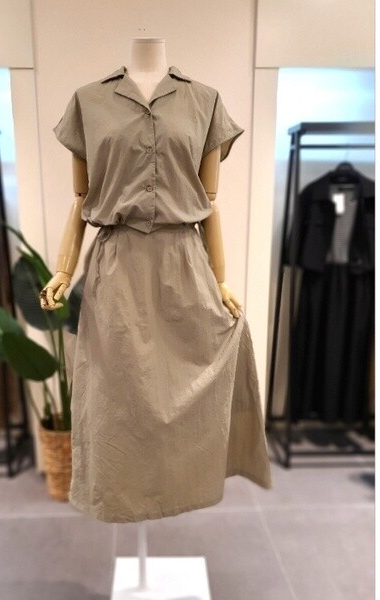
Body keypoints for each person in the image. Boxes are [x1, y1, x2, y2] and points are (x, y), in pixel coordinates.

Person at [39, 37, 272, 523]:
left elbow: (209, 201)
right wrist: (63, 269)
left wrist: (220, 280)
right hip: (116, 267)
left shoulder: (204, 101)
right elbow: (81, 198)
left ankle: (188, 483)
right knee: (116, 396)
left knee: (195, 380)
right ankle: (121, 494)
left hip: (185, 263)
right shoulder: (88, 101)